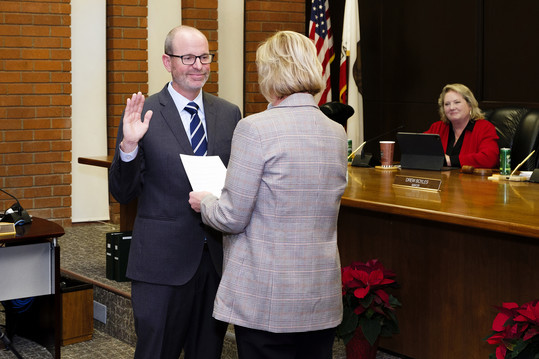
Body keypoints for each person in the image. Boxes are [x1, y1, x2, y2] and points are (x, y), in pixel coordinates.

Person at [189, 30, 348, 359]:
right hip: (319, 294)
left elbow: (232, 217)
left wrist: (204, 202)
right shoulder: (336, 131)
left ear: (271, 72)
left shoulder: (255, 128)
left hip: (268, 297)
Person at [108, 25, 241, 359]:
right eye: (188, 58)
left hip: (214, 260)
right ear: (167, 62)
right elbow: (123, 194)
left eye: (205, 57)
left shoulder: (229, 114)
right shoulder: (143, 114)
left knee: (207, 352)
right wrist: (128, 146)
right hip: (160, 265)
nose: (198, 65)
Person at [425, 83, 499, 168]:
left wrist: (450, 160)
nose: (452, 107)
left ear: (470, 105)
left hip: (472, 180)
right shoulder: (437, 127)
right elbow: (417, 148)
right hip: (442, 180)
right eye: (447, 104)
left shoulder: (484, 128)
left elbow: (489, 159)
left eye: (457, 102)